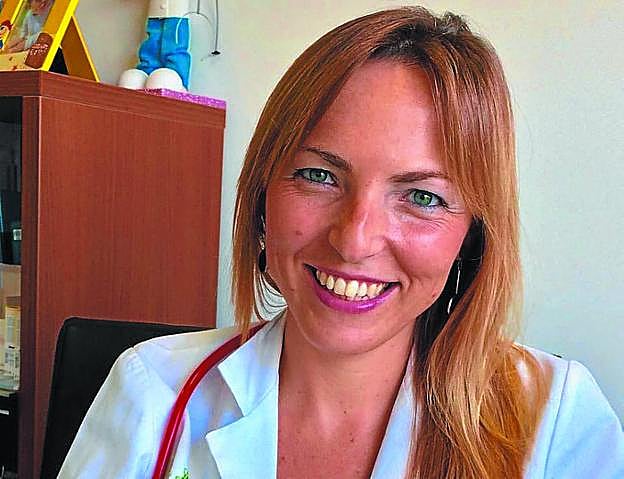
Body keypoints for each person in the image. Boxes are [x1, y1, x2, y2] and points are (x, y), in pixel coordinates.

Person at [59, 6, 624, 478]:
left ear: (471, 234)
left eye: (422, 197)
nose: (355, 240)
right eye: (319, 175)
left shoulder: (556, 421)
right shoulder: (152, 391)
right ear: (262, 193)